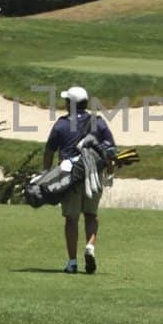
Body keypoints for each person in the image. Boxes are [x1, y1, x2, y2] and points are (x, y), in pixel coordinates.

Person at [43, 85, 116, 274]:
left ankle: (72, 262)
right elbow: (111, 151)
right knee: (91, 215)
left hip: (70, 177)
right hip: (94, 175)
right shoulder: (98, 123)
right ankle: (90, 247)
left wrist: (46, 174)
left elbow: (49, 151)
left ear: (71, 104)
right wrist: (110, 172)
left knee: (71, 219)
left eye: (67, 101)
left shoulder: (61, 124)